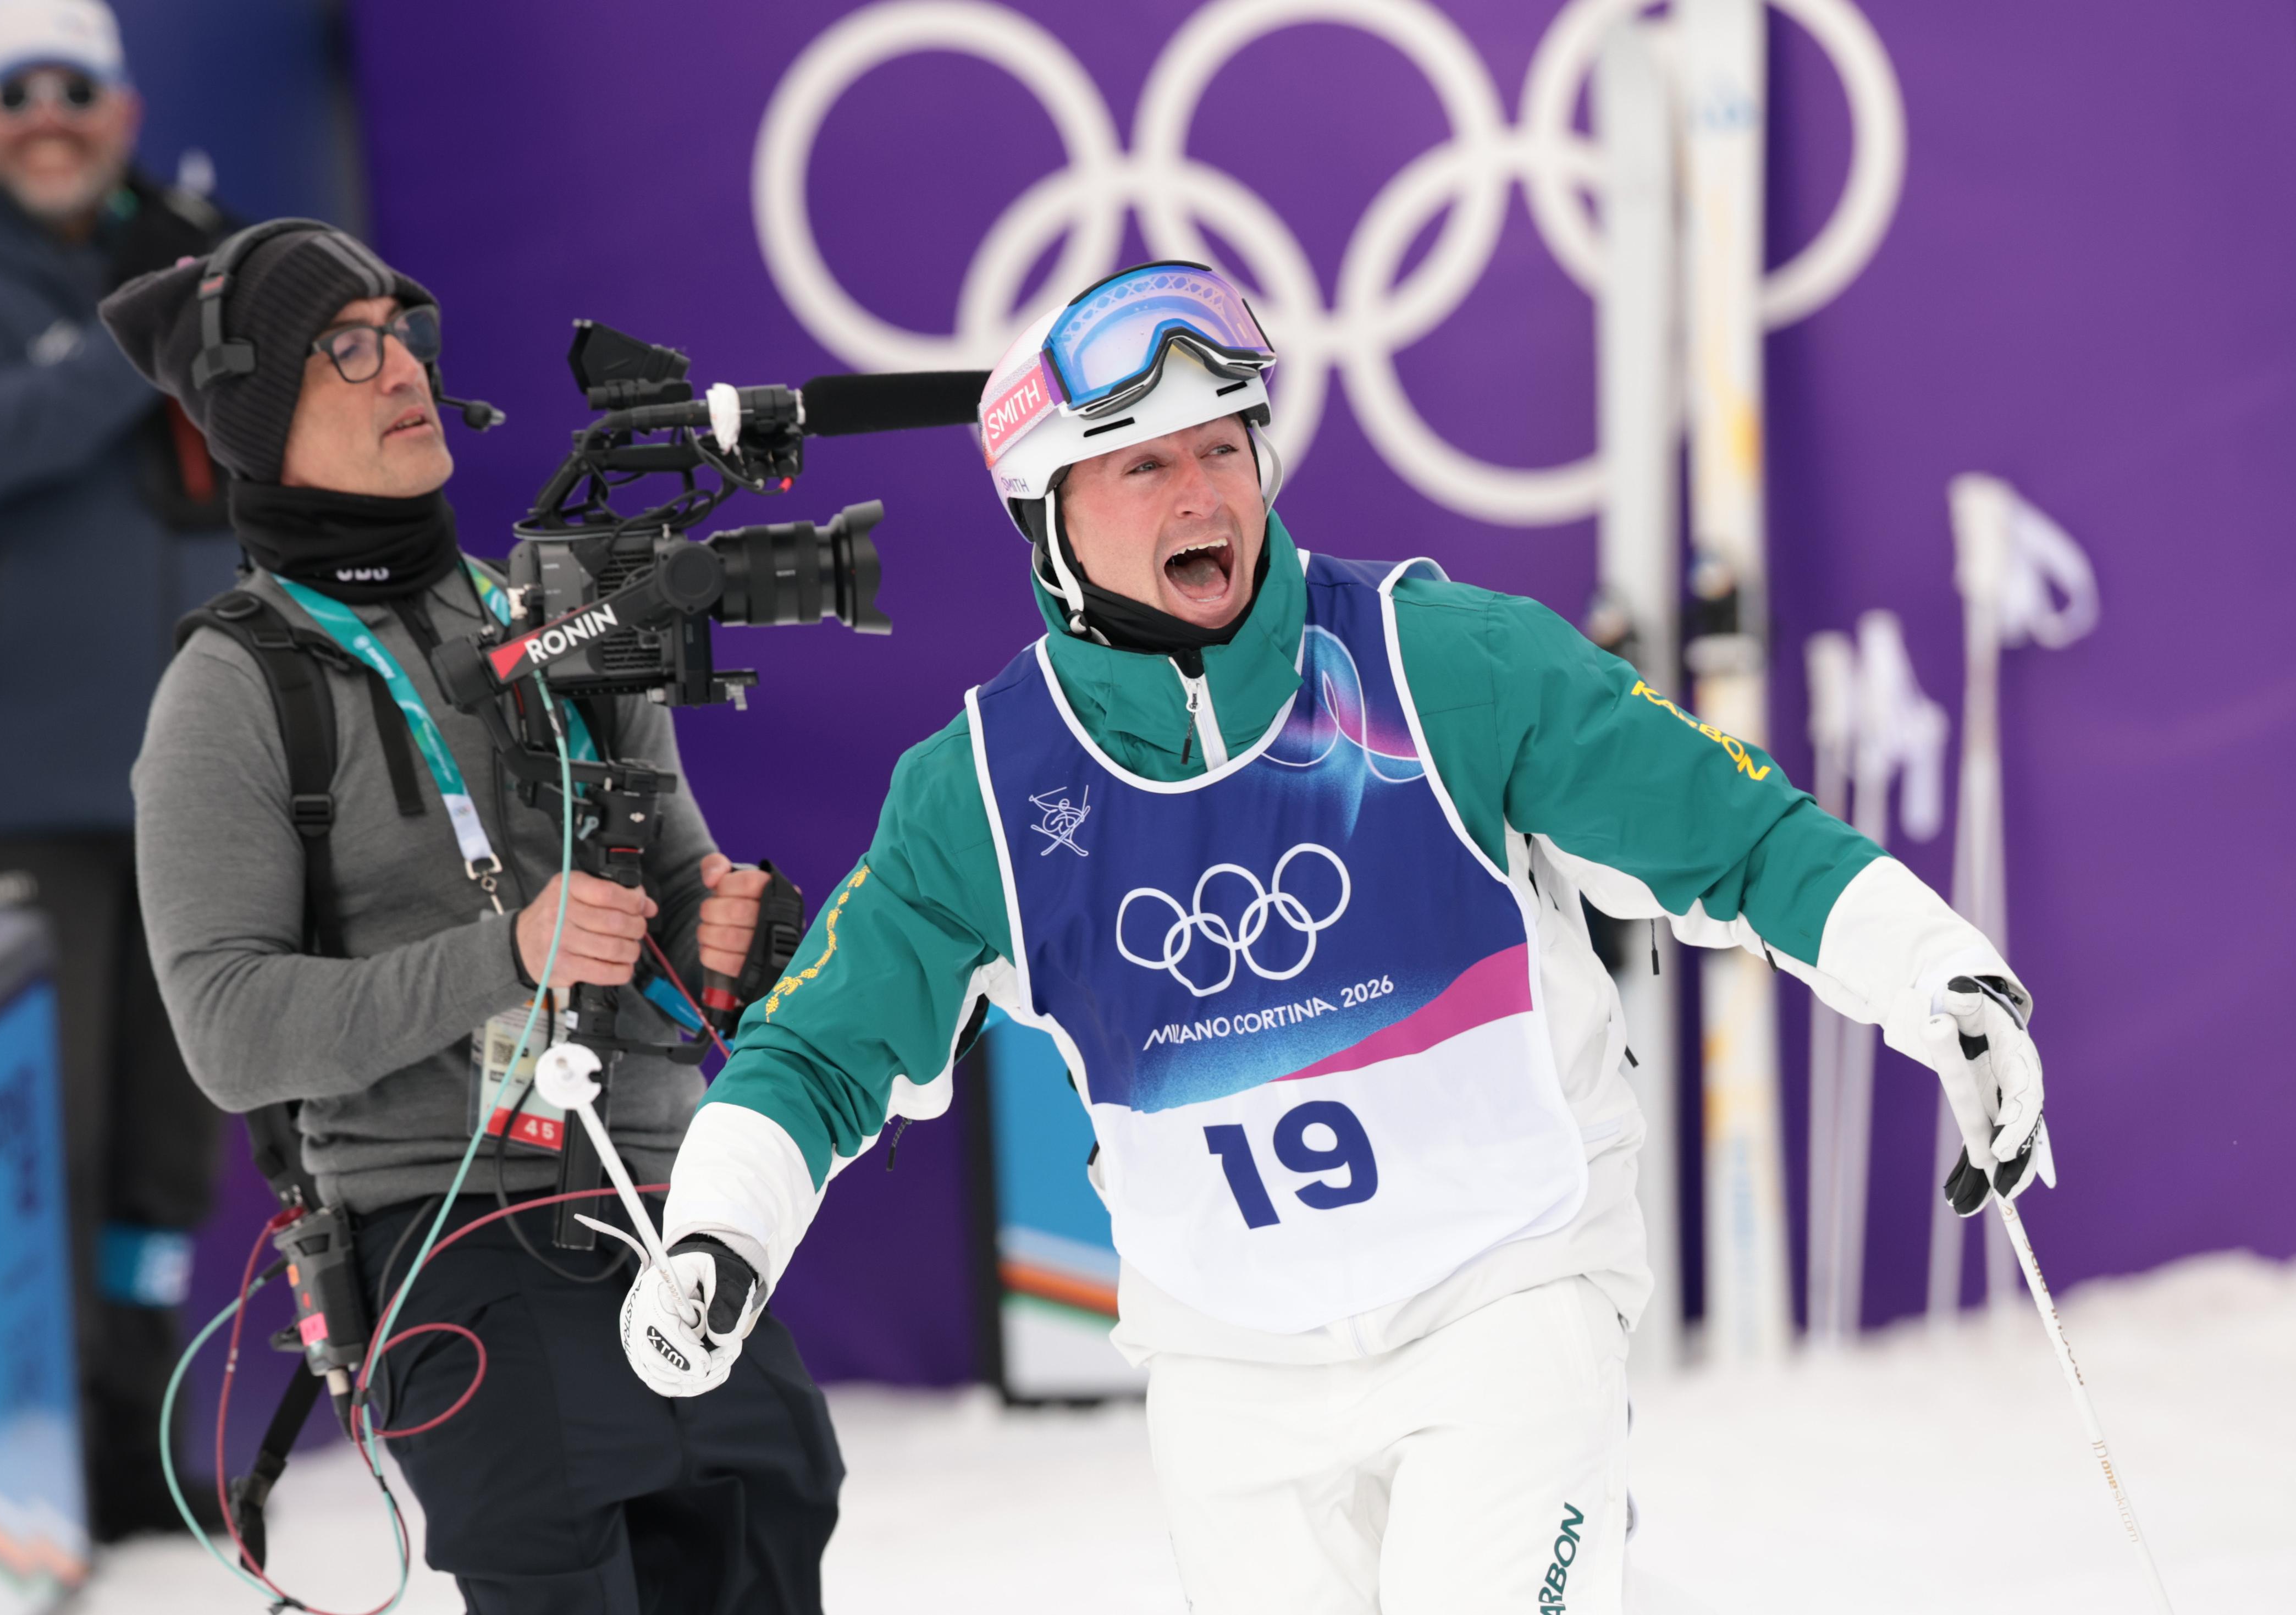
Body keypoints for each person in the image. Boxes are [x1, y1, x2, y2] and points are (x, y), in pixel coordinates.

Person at [618, 262, 2056, 1614]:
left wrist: (1945, 980)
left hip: (1507, 1304)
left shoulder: (1442, 661)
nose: (1207, 490)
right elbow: (817, 1051)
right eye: (1147, 462)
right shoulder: (983, 789)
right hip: (1228, 1377)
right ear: (1049, 516)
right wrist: (718, 1230)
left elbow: (1738, 840)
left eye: (1226, 446)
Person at [100, 220, 841, 1612]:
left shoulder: (556, 614)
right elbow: (228, 1030)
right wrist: (501, 956)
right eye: (349, 348)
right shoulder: (232, 686)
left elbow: (674, 893)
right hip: (450, 1231)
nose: (404, 375)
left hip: (664, 1198)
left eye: (408, 338)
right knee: (565, 1524)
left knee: (776, 1499)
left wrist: (719, 942)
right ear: (260, 414)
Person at [0, 0, 240, 1539]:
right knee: (47, 1135)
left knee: (170, 1141)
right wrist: (146, 325)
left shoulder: (181, 266)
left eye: (73, 90)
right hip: (15, 792)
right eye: (11, 91)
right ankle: (30, 1454)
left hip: (191, 783)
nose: (45, 115)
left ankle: (137, 1428)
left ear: (123, 105)